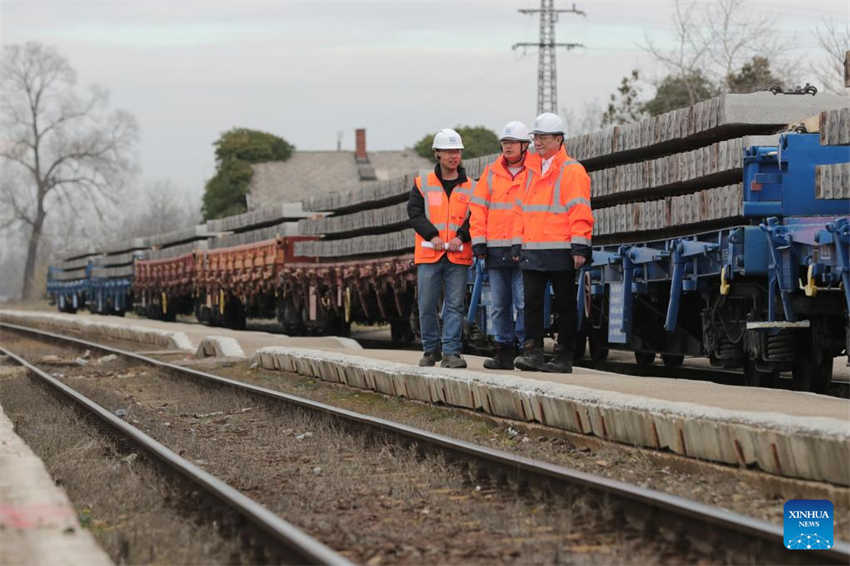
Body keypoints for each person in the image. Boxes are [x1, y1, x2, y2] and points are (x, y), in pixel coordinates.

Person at [512, 113, 593, 373]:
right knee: (532, 305)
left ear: (559, 139)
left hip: (561, 249)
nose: (537, 142)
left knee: (565, 306)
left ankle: (564, 356)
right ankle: (532, 353)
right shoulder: (530, 172)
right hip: (532, 250)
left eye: (543, 137)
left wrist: (580, 247)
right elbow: (520, 211)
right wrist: (517, 244)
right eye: (535, 137)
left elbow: (580, 211)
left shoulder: (572, 171)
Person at [407, 128, 475, 368]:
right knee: (426, 305)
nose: (453, 156)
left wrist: (462, 236)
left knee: (455, 306)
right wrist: (432, 234)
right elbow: (414, 214)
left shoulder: (472, 187)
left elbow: (476, 216)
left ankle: (451, 353)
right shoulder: (422, 184)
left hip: (458, 255)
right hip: (429, 254)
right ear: (437, 153)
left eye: (456, 151)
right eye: (448, 151)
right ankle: (430, 349)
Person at [470, 121, 531, 369]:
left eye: (512, 143)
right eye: (504, 143)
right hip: (495, 249)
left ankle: (527, 349)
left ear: (524, 146)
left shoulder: (534, 172)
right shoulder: (491, 173)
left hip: (524, 248)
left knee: (523, 302)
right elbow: (478, 208)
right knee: (499, 304)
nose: (507, 147)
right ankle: (504, 352)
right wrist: (479, 242)